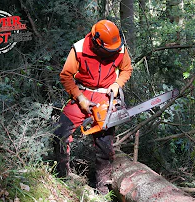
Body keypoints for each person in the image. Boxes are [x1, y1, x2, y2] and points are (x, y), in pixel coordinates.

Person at [53, 19, 133, 194]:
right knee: (60, 133)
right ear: (97, 43)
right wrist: (79, 98)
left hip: (106, 95)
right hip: (81, 93)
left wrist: (117, 84)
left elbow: (127, 69)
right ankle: (61, 177)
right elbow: (66, 75)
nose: (111, 52)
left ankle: (102, 189)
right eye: (107, 49)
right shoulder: (80, 48)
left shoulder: (120, 48)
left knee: (105, 144)